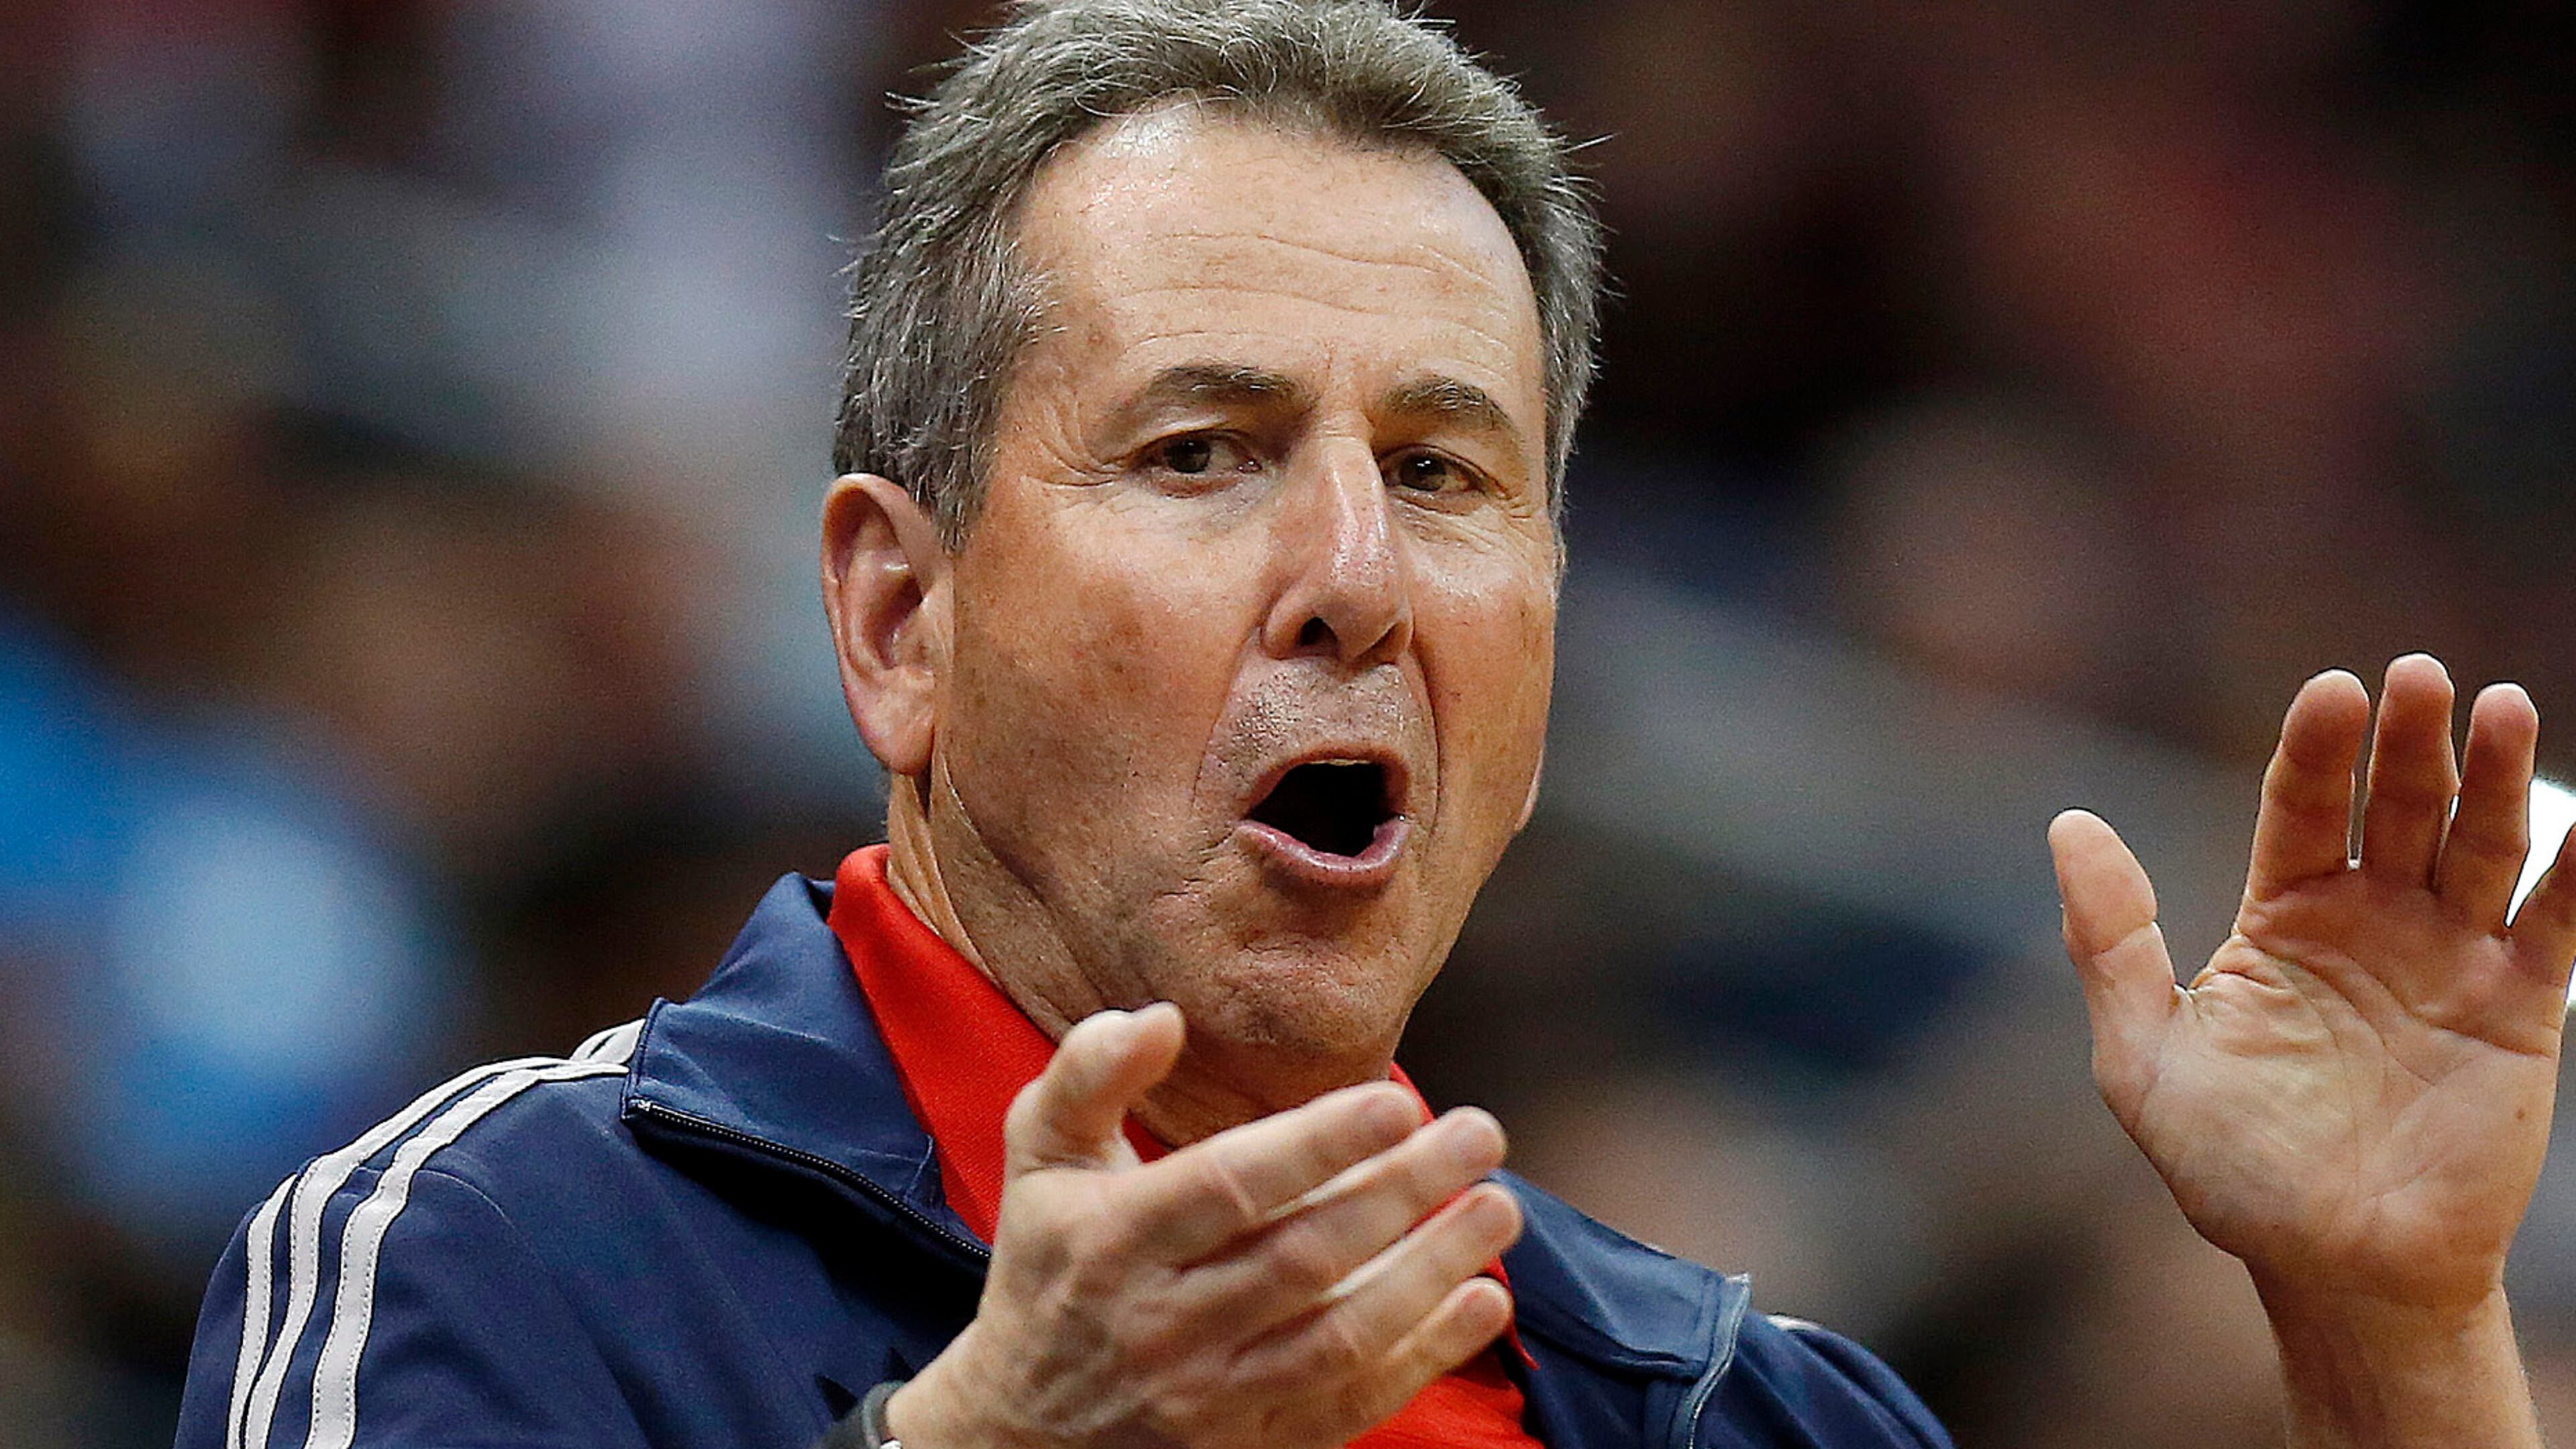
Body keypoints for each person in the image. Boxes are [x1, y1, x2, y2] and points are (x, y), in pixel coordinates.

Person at [176, 2, 2576, 1446]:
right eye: (1202, 450)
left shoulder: (1736, 1412)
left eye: (1445, 475)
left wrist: (2393, 1336)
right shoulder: (496, 1252)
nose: (1354, 577)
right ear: (899, 615)